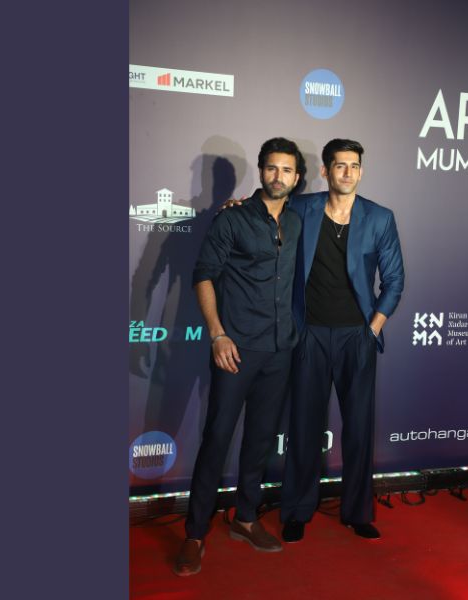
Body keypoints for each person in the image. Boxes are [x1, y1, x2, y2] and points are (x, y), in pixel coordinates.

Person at [174, 137, 305, 576]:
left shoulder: (298, 221)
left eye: (287, 170)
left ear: (297, 178)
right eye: (271, 168)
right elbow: (203, 275)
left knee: (261, 440)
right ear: (261, 170)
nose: (278, 176)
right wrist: (217, 334)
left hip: (280, 349)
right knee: (217, 438)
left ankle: (245, 519)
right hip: (236, 347)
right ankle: (195, 534)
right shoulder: (232, 219)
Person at [279, 139, 405, 541]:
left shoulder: (379, 217)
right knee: (303, 427)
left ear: (361, 172)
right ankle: (297, 511)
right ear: (325, 171)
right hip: (310, 335)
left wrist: (373, 329)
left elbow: (394, 280)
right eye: (340, 165)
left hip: (357, 337)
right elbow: (266, 205)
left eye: (354, 166)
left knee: (359, 429)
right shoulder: (302, 207)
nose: (347, 173)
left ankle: (357, 512)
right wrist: (236, 206)